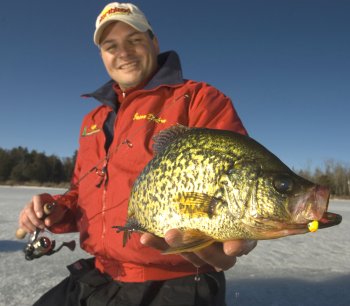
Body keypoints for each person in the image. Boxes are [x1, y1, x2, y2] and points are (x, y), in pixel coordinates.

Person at [18, 3, 257, 305]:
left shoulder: (198, 99)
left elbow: (241, 177)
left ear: (154, 42)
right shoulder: (93, 119)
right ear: (102, 55)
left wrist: (245, 225)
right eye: (111, 46)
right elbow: (83, 190)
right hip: (101, 273)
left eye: (134, 40)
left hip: (176, 281)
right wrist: (54, 209)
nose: (123, 53)